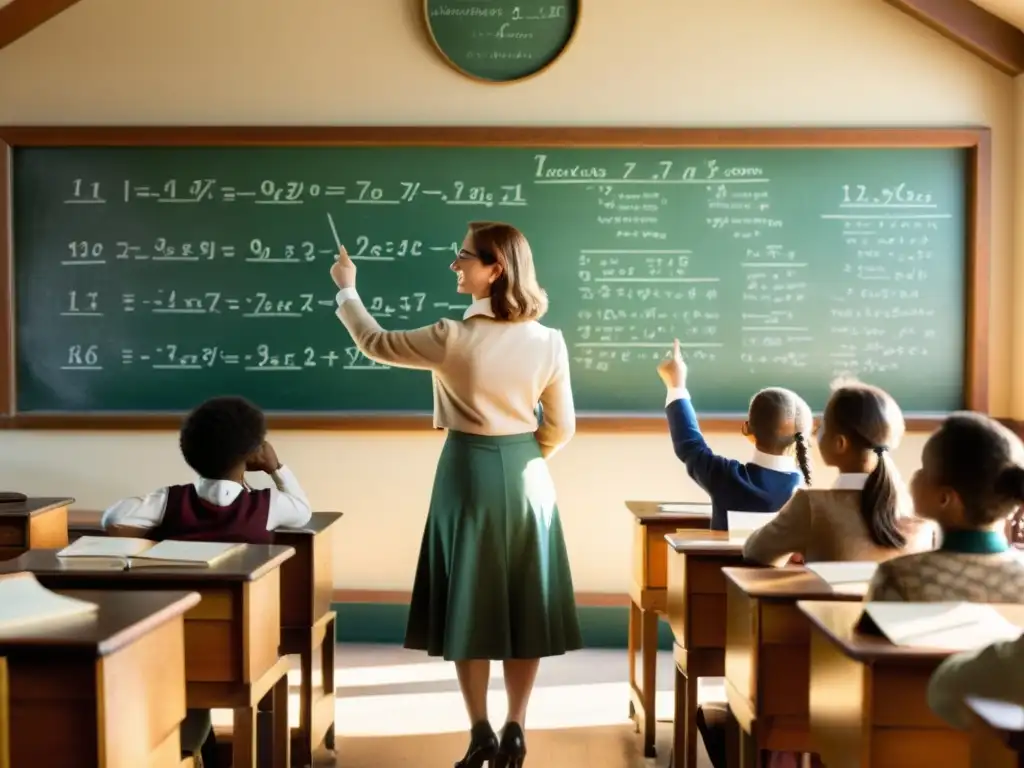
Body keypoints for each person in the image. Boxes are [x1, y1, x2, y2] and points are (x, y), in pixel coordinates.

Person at [330, 221, 580, 768]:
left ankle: (480, 731)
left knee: (468, 600)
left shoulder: (452, 336)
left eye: (463, 257)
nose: (455, 264)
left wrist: (347, 288)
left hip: (465, 471)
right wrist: (522, 457)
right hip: (528, 475)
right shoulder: (549, 341)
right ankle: (517, 726)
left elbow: (374, 342)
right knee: (524, 605)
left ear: (495, 269)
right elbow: (560, 428)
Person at [101, 395, 313, 767]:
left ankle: (195, 744)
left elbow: (113, 519)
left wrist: (149, 540)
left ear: (189, 452)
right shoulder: (267, 506)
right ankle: (201, 746)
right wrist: (277, 466)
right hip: (242, 645)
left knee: (189, 670)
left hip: (166, 641)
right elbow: (303, 511)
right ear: (252, 454)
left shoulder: (169, 500)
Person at [744, 380, 935, 566]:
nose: (816, 433)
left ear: (840, 444)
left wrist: (798, 542)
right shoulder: (917, 520)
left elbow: (756, 552)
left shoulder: (811, 507)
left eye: (823, 426)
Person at [657, 338, 812, 531]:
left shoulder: (726, 477)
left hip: (721, 563)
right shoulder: (805, 496)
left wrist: (676, 385)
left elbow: (690, 447)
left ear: (747, 429)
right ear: (802, 440)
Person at [866, 412, 1024, 602]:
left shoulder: (899, 578)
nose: (916, 476)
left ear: (944, 498)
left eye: (923, 469)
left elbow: (862, 634)